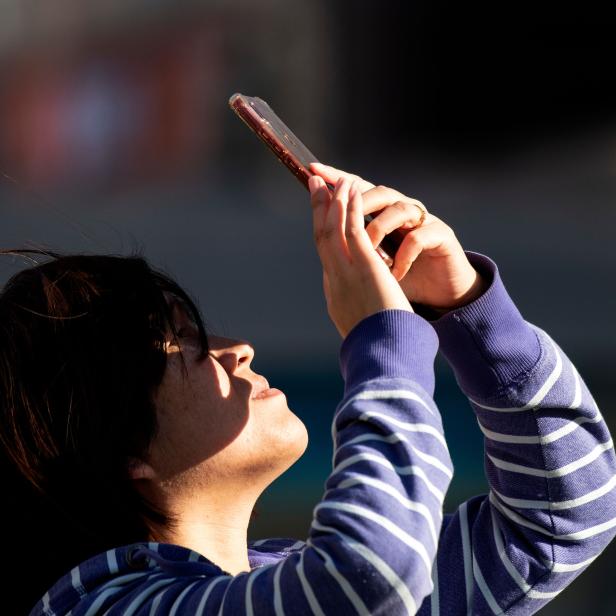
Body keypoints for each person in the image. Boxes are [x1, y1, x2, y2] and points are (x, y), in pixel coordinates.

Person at [1, 162, 614, 615]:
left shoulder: (284, 578)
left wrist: (468, 309)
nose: (235, 351)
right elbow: (368, 577)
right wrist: (384, 342)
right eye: (181, 344)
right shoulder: (103, 608)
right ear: (109, 439)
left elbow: (561, 522)